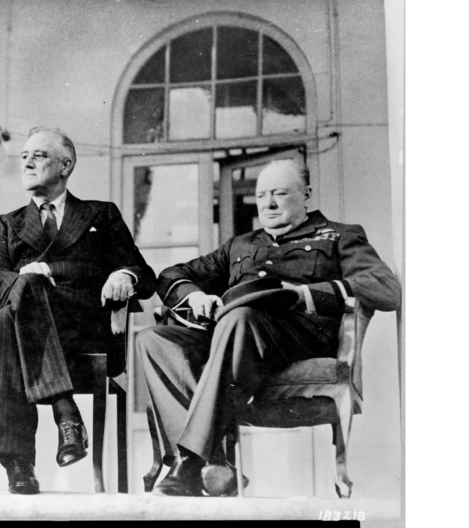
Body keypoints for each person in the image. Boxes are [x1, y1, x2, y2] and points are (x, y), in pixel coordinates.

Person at [135, 158, 401, 497]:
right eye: (262, 196)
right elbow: (171, 275)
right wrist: (196, 295)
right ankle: (213, 459)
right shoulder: (240, 245)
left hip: (298, 337)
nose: (269, 204)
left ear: (305, 195)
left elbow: (384, 287)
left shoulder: (340, 235)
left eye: (279, 194)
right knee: (153, 339)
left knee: (238, 317)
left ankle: (189, 462)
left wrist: (304, 293)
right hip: (235, 340)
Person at [0, 126, 157, 494]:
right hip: (26, 315)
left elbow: (144, 275)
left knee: (13, 315)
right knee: (22, 294)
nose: (26, 162)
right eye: (24, 155)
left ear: (66, 164)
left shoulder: (100, 215)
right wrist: (29, 281)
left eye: (38, 156)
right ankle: (66, 412)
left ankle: (19, 463)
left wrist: (121, 274)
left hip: (80, 323)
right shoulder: (7, 222)